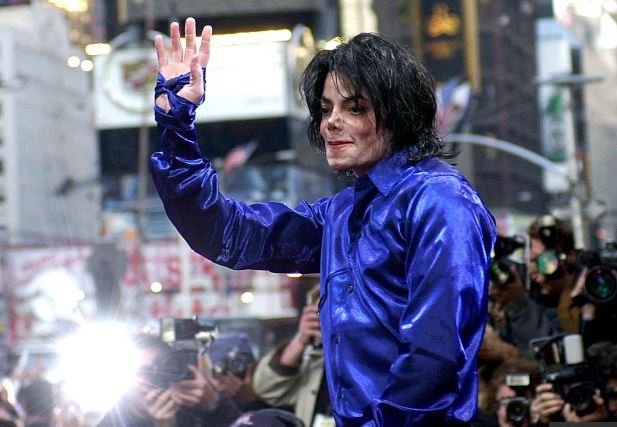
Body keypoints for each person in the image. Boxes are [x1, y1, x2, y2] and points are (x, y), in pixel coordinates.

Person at [150, 18, 496, 426]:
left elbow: (435, 354)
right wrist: (177, 124)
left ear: (399, 114)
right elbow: (228, 233)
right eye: (326, 109)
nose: (331, 122)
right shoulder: (343, 211)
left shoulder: (440, 201)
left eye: (355, 108)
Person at [97, 333, 241, 427]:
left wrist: (214, 404)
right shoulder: (112, 422)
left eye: (155, 370)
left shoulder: (191, 412)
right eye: (138, 372)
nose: (146, 381)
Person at [252, 285, 330, 427]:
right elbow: (266, 389)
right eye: (319, 313)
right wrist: (301, 341)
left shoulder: (367, 357)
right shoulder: (313, 360)